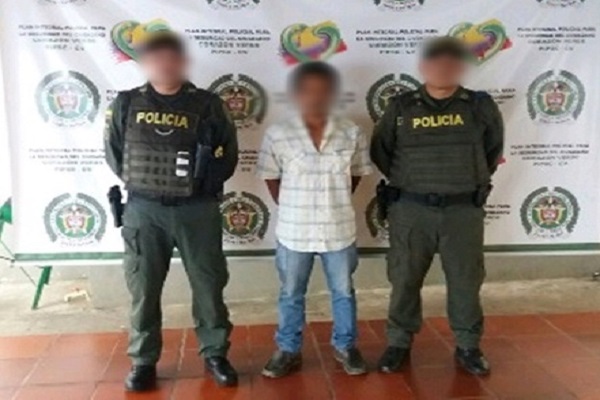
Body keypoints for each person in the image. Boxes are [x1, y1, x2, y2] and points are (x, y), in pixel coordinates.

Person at [104, 30, 239, 391]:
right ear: (145, 63)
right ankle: (143, 361)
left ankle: (215, 353)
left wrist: (198, 186)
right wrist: (149, 185)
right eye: (155, 58)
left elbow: (228, 154)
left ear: (182, 61)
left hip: (197, 210)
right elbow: (115, 154)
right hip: (144, 210)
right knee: (144, 288)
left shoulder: (209, 105)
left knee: (209, 284)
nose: (164, 64)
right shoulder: (127, 103)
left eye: (170, 57)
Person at [370, 36, 504, 376]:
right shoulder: (401, 107)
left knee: (465, 281)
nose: (443, 68)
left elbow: (491, 151)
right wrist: (415, 183)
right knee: (404, 278)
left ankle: (468, 346)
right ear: (423, 66)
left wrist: (460, 182)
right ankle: (398, 343)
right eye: (436, 62)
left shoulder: (479, 106)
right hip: (411, 210)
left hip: (462, 211)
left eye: (450, 62)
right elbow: (381, 152)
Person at [256, 62, 373, 378]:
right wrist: (294, 206)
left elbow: (357, 174)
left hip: (339, 229)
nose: (316, 96)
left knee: (344, 292)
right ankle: (288, 349)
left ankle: (346, 346)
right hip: (294, 231)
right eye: (308, 90)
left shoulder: (352, 132)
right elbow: (270, 177)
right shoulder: (278, 134)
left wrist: (334, 200)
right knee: (291, 293)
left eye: (323, 90)